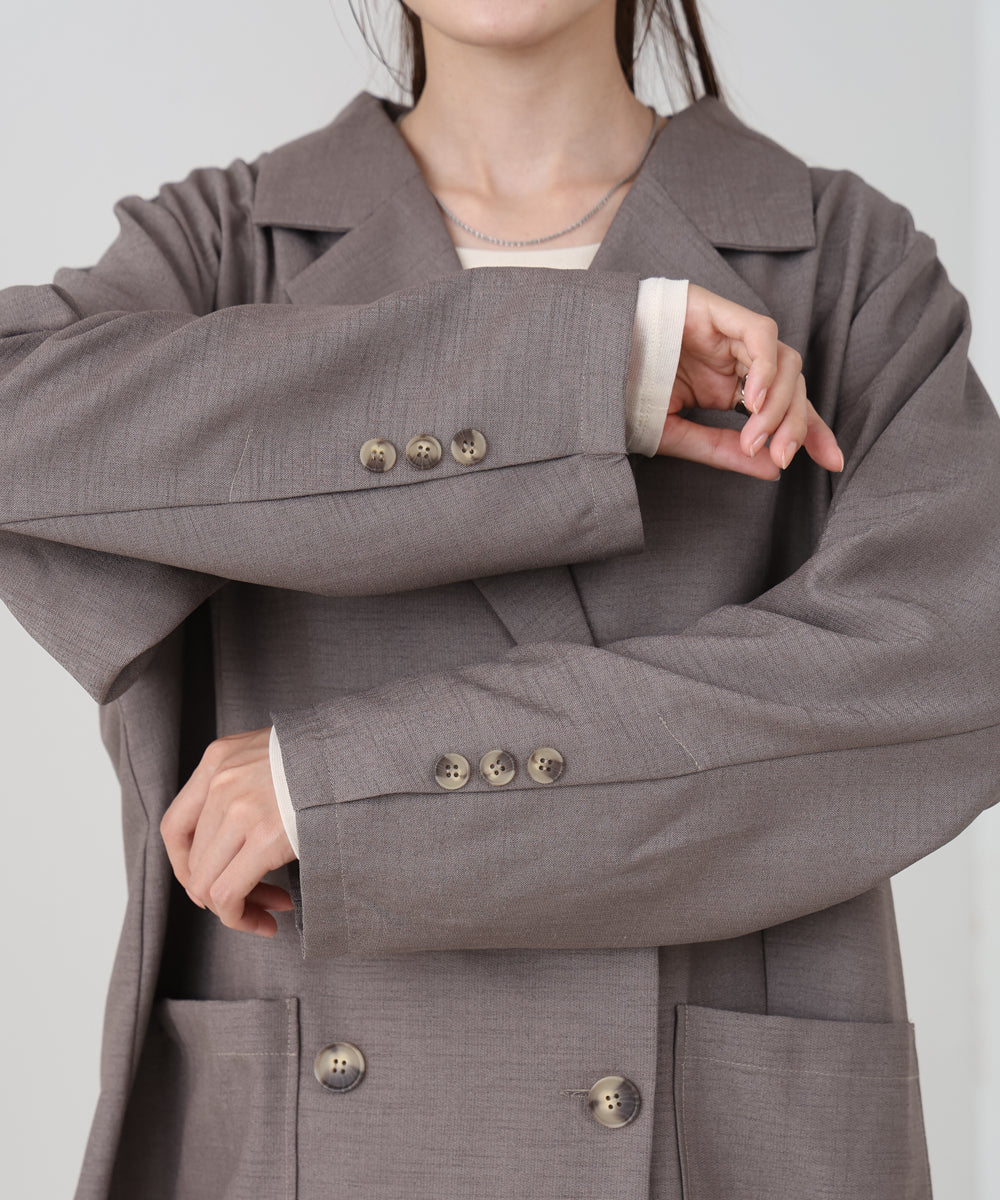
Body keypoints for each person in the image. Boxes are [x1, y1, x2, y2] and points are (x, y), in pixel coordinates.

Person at [1, 1, 997, 1197]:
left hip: (710, 1148)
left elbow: (942, 666)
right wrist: (578, 376)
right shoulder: (226, 249)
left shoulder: (845, 263)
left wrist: (345, 785)